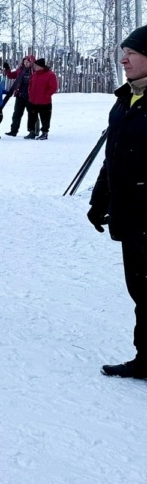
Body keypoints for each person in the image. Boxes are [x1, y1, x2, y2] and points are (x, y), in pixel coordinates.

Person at [90, 29, 147, 378]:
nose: (123, 59)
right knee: (141, 290)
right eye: (123, 52)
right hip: (131, 218)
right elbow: (114, 158)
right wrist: (100, 200)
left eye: (132, 52)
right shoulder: (125, 100)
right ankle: (146, 358)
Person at [5, 55, 37, 138]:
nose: (26, 63)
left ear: (32, 62)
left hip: (31, 96)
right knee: (17, 114)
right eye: (25, 62)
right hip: (20, 95)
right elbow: (11, 76)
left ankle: (33, 131)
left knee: (32, 114)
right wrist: (7, 69)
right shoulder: (21, 70)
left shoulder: (35, 71)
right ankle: (13, 130)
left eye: (28, 62)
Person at [27, 58, 57, 139]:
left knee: (45, 117)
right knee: (31, 117)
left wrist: (46, 95)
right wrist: (30, 94)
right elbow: (30, 85)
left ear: (41, 66)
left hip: (44, 101)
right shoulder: (35, 74)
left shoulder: (50, 75)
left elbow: (53, 87)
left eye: (36, 65)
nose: (34, 67)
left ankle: (44, 132)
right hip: (33, 100)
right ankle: (32, 131)